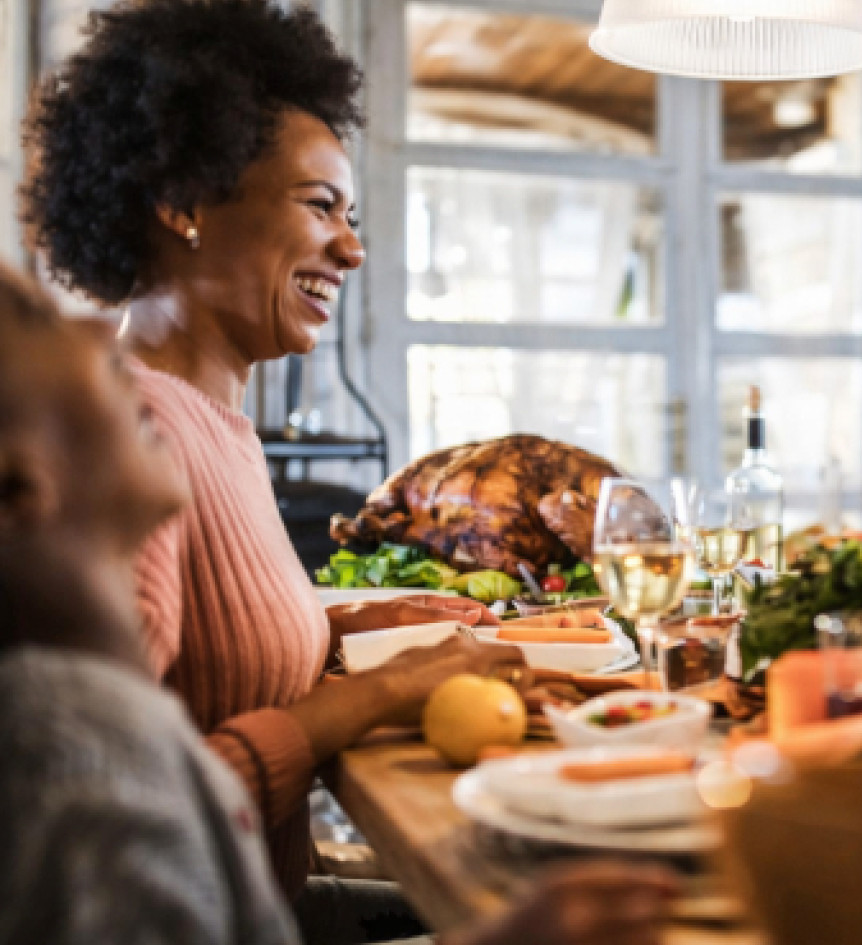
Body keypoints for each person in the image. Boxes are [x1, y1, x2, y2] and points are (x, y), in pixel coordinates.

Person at [20, 0, 527, 913]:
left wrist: (353, 623)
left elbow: (205, 671)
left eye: (353, 213)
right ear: (183, 205)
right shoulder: (133, 440)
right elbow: (128, 810)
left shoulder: (216, 423)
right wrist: (381, 695)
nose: (354, 247)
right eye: (319, 205)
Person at [0, 263, 677, 945]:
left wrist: (340, 628)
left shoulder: (86, 709)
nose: (93, 325)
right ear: (20, 487)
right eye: (35, 319)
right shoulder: (69, 768)